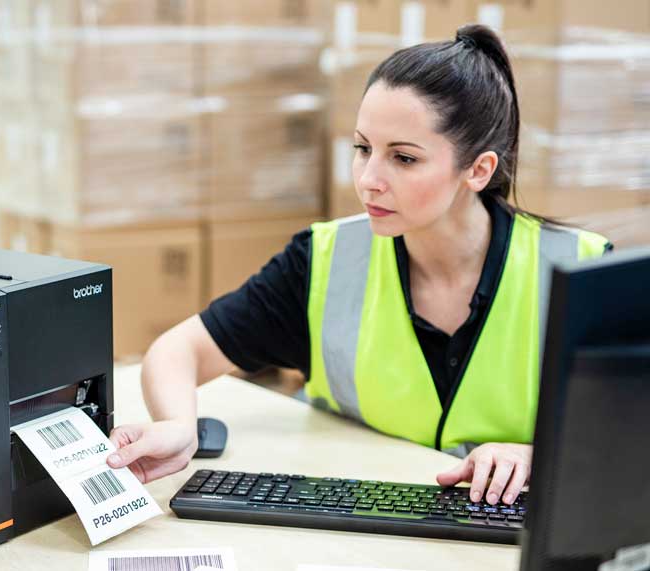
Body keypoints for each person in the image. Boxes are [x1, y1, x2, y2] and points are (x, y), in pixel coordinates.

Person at [106, 24, 611, 507]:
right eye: (363, 148)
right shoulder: (325, 260)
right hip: (355, 531)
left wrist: (540, 457)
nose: (369, 178)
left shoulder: (584, 271)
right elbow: (179, 351)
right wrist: (177, 425)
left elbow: (629, 434)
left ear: (477, 170)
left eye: (404, 158)